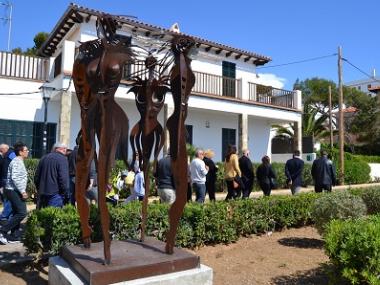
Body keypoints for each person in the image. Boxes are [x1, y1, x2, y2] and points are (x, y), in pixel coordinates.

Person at [0, 142, 29, 244]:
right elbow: (15, 178)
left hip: (14, 190)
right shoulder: (17, 161)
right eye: (26, 150)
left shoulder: (19, 160)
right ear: (20, 152)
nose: (28, 152)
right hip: (13, 190)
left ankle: (14, 236)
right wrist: (23, 191)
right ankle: (2, 231)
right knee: (22, 213)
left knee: (17, 212)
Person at [34, 142, 70, 208]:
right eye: (66, 149)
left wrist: (39, 189)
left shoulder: (44, 158)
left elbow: (36, 177)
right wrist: (66, 194)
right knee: (53, 217)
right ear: (63, 149)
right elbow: (64, 179)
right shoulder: (62, 159)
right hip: (56, 194)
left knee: (42, 216)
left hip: (42, 193)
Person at [0, 144, 16, 222]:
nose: (1, 152)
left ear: (4, 149)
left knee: (8, 200)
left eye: (1, 151)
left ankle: (5, 218)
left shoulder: (8, 155)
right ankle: (5, 218)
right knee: (10, 201)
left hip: (6, 180)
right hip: (8, 180)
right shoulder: (11, 154)